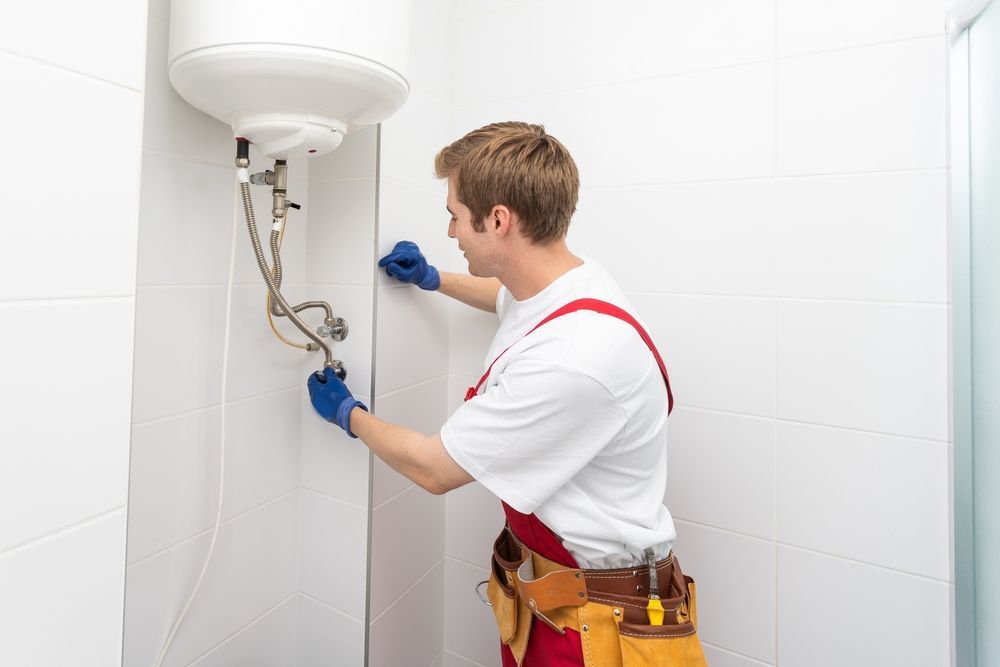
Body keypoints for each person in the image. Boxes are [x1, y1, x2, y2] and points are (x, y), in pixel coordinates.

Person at [307, 121, 707, 666]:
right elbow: (505, 296)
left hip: (599, 633)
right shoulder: (567, 282)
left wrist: (349, 414)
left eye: (454, 215)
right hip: (558, 600)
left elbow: (434, 469)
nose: (449, 231)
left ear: (498, 219)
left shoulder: (574, 360)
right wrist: (432, 278)